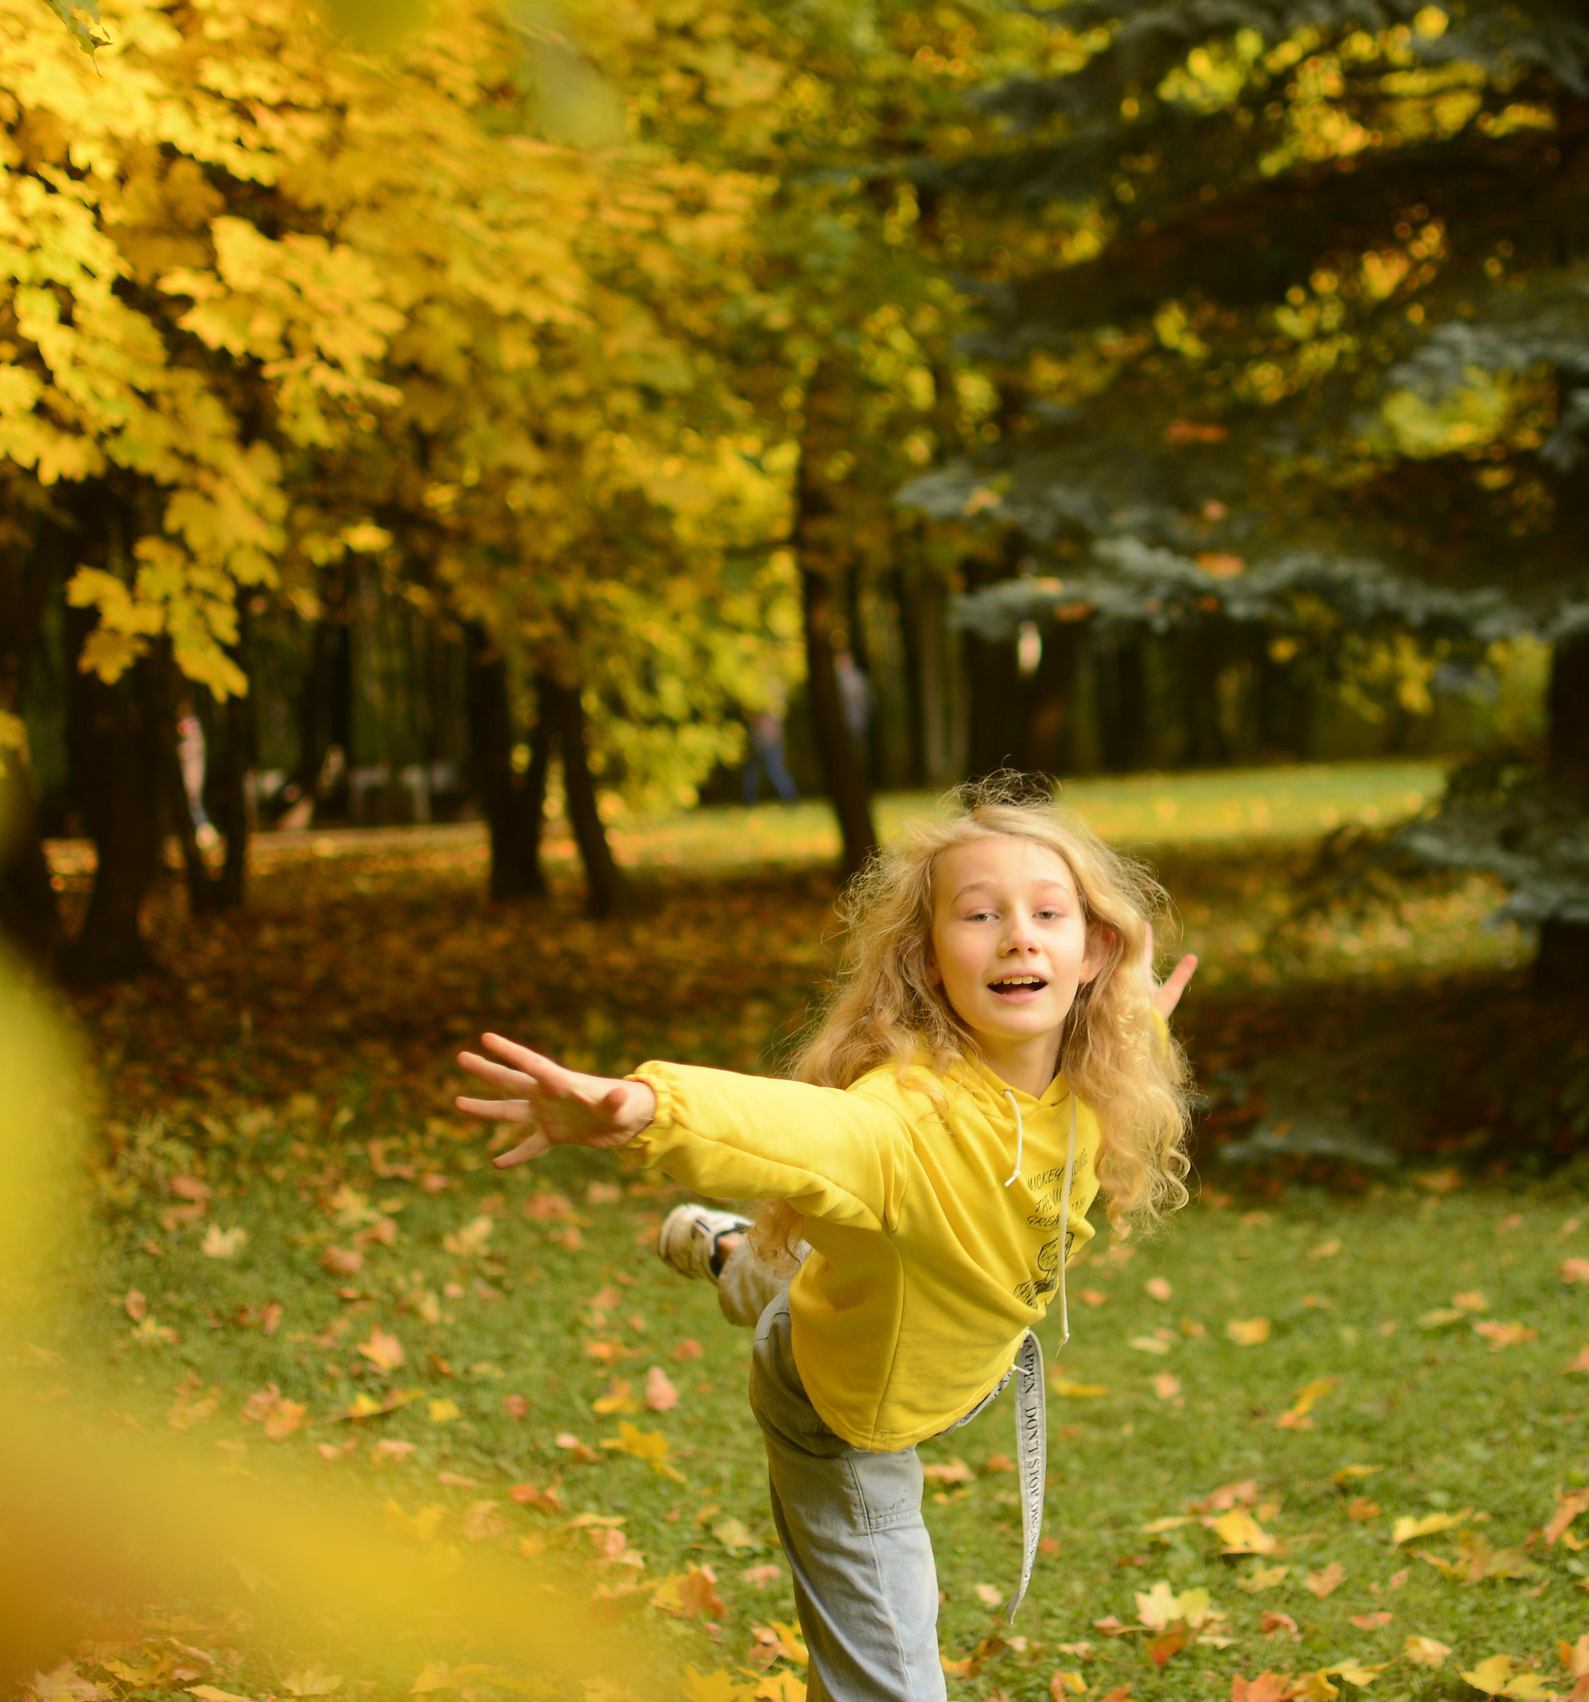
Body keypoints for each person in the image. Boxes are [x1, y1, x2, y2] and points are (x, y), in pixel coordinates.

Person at [453, 782, 1198, 1702]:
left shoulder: (1091, 1080)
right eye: (979, 914)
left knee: (821, 1266)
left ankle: (738, 1254)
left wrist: (1140, 1010)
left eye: (1050, 913)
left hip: (902, 1312)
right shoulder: (899, 1126)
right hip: (843, 1417)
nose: (1019, 935)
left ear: (1095, 952)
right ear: (927, 960)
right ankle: (755, 1261)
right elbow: (785, 1129)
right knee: (890, 1673)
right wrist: (643, 1108)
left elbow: (1113, 1030)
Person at [744, 706, 800, 805]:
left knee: (775, 772)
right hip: (760, 745)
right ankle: (748, 801)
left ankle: (790, 797)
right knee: (752, 773)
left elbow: (776, 731)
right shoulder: (759, 708)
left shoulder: (770, 708)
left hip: (770, 745)